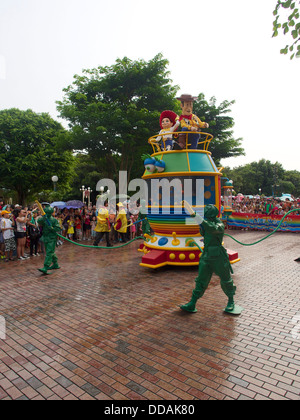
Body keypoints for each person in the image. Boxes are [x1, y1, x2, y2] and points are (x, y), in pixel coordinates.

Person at [180, 203, 241, 314]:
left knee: (226, 280)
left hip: (218, 256)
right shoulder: (206, 223)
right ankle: (192, 303)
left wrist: (196, 217)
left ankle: (231, 301)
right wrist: (198, 220)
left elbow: (211, 228)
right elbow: (204, 229)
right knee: (201, 281)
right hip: (207, 255)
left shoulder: (219, 224)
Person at [37, 205, 61, 274]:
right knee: (50, 252)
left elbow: (58, 228)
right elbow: (39, 222)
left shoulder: (54, 220)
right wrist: (43, 218)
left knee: (49, 252)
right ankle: (55, 263)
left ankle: (45, 266)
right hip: (45, 237)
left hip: (52, 238)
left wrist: (52, 228)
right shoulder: (44, 219)